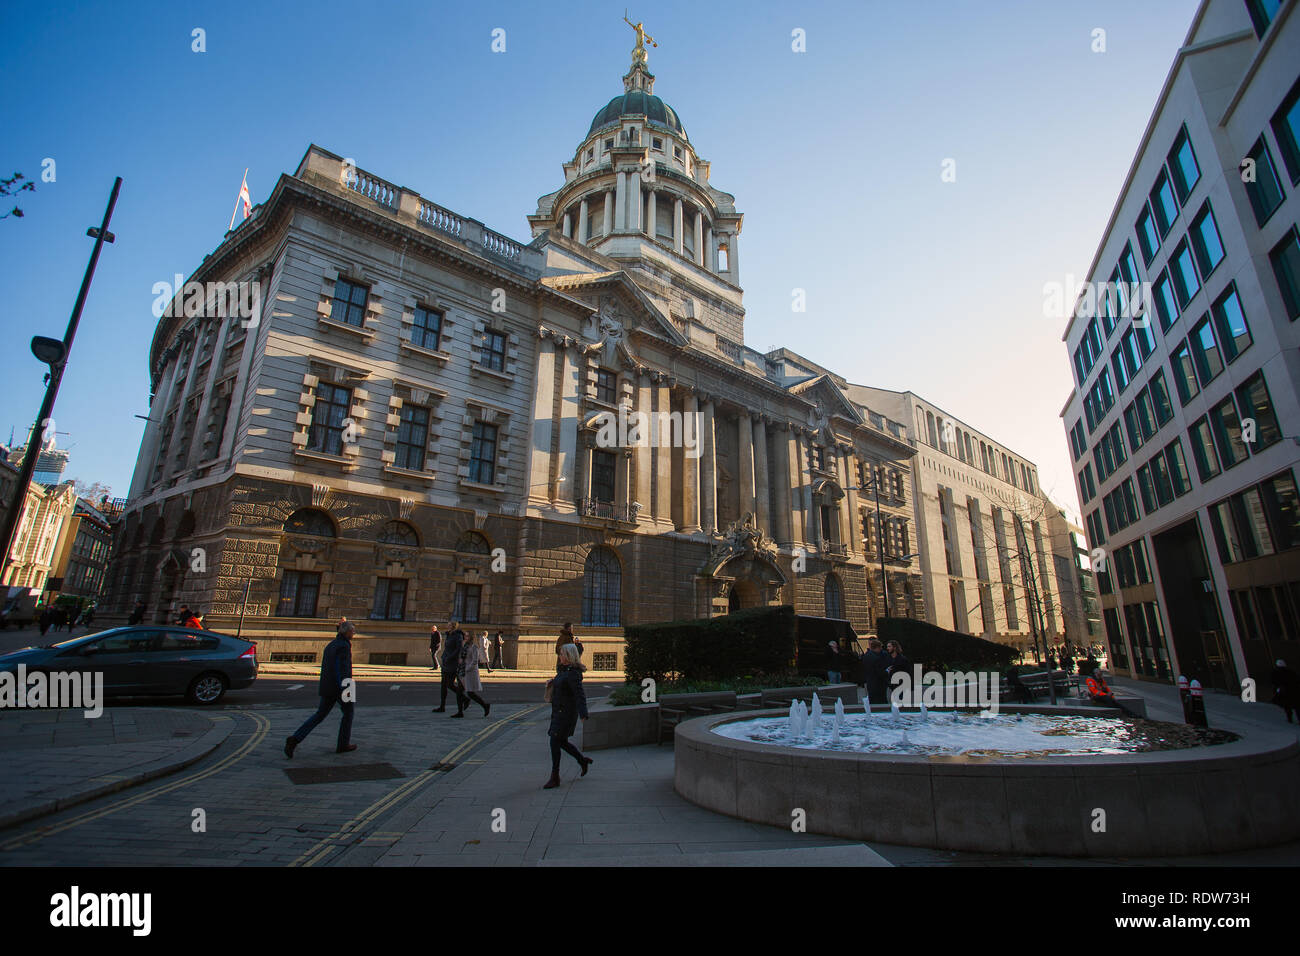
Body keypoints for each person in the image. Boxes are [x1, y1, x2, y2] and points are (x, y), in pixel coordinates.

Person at [285, 621, 358, 757]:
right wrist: (346, 688)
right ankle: (343, 744)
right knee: (348, 714)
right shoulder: (343, 646)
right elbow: (341, 669)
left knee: (319, 715)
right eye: (352, 631)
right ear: (346, 632)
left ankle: (295, 739)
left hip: (328, 686)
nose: (354, 633)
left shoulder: (331, 645)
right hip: (342, 687)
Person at [544, 643, 592, 789]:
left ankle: (555, 776)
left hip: (566, 714)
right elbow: (561, 683)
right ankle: (582, 761)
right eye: (560, 654)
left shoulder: (573, 674)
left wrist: (583, 713)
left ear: (570, 656)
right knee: (561, 742)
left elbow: (579, 694)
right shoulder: (564, 670)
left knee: (554, 741)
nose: (560, 656)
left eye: (563, 654)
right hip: (558, 712)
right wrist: (553, 682)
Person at [433, 621, 469, 714]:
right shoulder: (449, 635)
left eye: (449, 624)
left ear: (452, 626)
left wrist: (450, 657)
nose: (447, 625)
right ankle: (442, 706)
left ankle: (465, 698)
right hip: (446, 662)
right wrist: (444, 657)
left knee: (449, 684)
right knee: (443, 685)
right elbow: (447, 648)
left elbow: (458, 649)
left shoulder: (458, 636)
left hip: (453, 663)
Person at [454, 632, 491, 718]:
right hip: (462, 672)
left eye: (467, 636)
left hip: (469, 673)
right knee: (459, 692)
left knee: (470, 693)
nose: (465, 637)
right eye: (465, 636)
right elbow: (462, 656)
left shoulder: (474, 647)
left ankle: (485, 705)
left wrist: (467, 668)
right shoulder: (465, 646)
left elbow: (474, 661)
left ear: (471, 637)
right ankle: (460, 712)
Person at [860, 638, 889, 708]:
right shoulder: (876, 658)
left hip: (870, 681)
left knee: (872, 699)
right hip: (878, 683)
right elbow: (879, 672)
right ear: (877, 647)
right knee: (880, 699)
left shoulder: (866, 655)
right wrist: (887, 671)